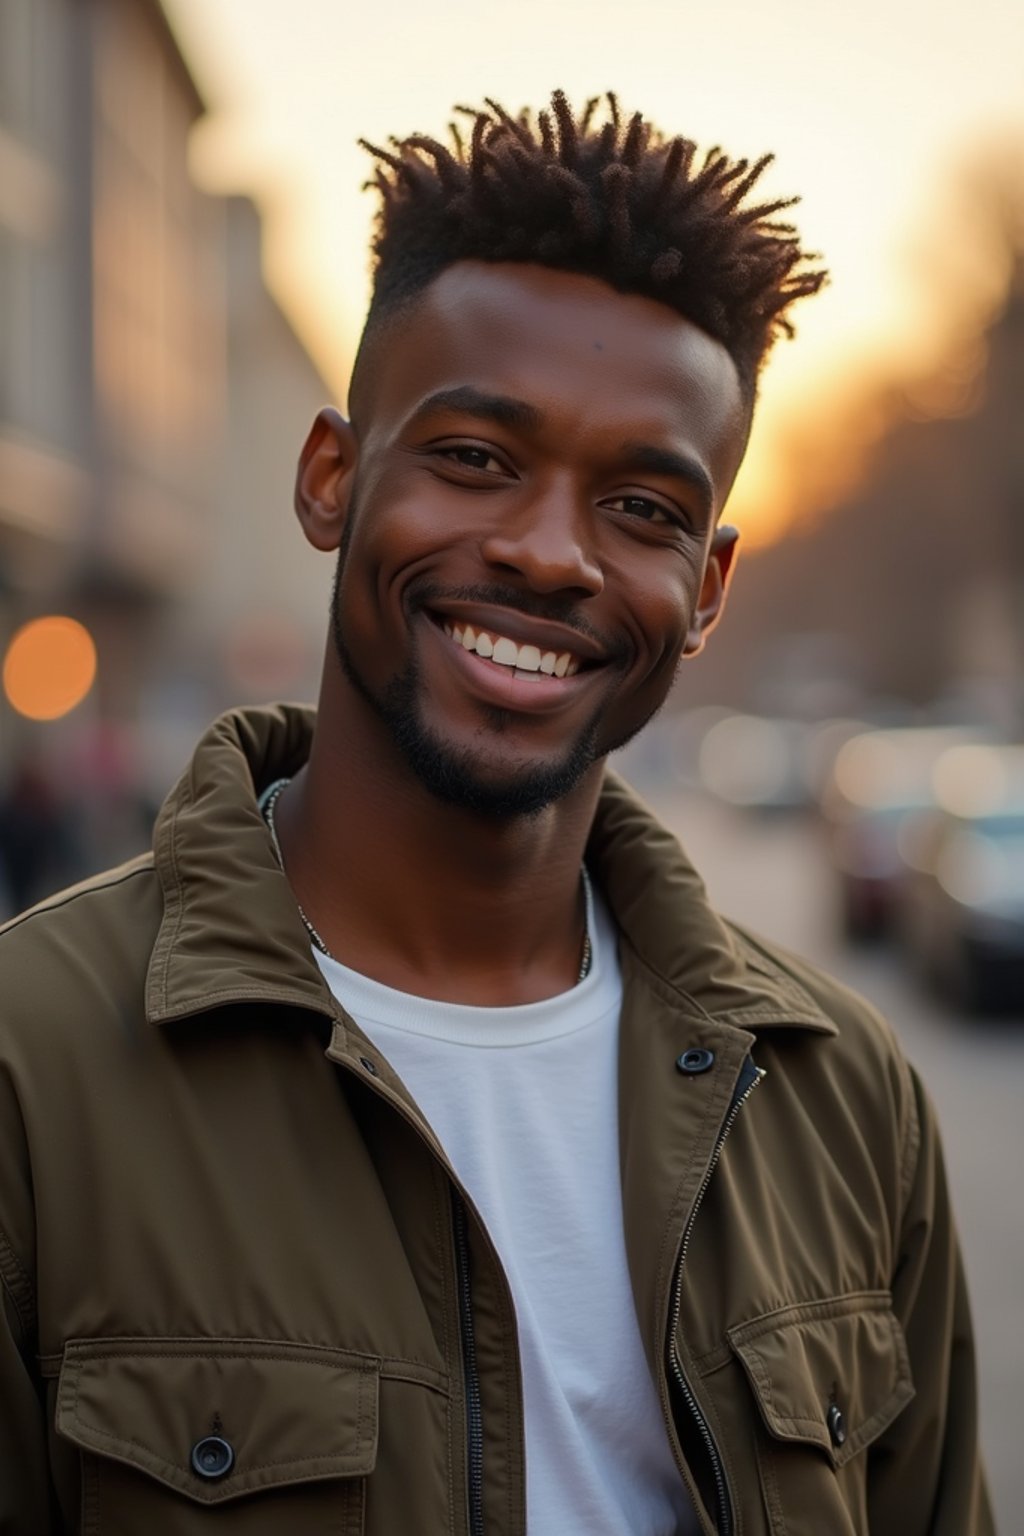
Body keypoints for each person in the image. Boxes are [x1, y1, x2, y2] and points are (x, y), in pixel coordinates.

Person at [0, 92, 992, 1535]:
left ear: (707, 591)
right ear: (332, 478)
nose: (547, 555)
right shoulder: (31, 1068)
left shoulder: (851, 1102)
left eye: (642, 508)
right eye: (475, 459)